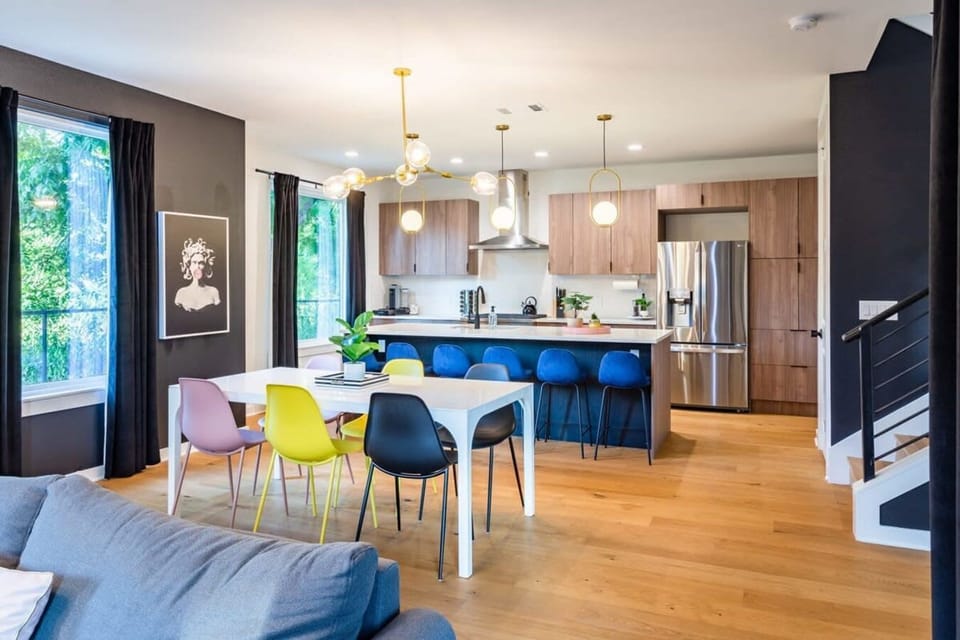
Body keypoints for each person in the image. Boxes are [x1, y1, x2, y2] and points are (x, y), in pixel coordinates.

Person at [174, 237, 221, 312]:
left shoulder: (213, 292)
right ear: (188, 266)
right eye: (194, 262)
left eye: (201, 263)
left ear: (206, 266)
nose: (197, 267)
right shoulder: (181, 293)